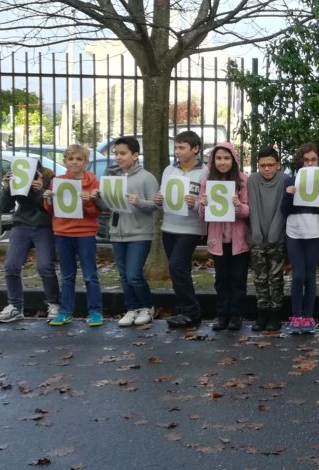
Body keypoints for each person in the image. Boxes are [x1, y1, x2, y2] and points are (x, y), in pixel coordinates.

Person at [42, 144, 103, 327]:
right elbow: (52, 210)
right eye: (71, 159)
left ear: (86, 162)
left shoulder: (93, 182)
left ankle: (95, 312)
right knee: (67, 275)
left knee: (90, 275)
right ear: (65, 161)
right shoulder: (57, 181)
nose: (74, 162)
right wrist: (48, 199)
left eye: (79, 159)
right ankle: (65, 311)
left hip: (85, 232)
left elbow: (96, 213)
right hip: (62, 232)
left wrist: (88, 202)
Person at [0, 160, 60, 323]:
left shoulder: (50, 180)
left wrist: (41, 190)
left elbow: (52, 207)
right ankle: (15, 306)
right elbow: (4, 207)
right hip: (21, 225)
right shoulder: (17, 181)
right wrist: (6, 188)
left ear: (38, 169)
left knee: (45, 266)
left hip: (43, 226)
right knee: (11, 266)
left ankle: (54, 303)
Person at [156, 131, 208, 330]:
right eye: (176, 147)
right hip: (169, 226)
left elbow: (206, 202)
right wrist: (159, 201)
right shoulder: (169, 170)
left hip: (191, 227)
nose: (177, 151)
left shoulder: (205, 172)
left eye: (181, 147)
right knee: (180, 269)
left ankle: (191, 311)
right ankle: (183, 308)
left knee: (176, 266)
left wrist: (194, 204)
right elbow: (164, 195)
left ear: (195, 149)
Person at [107, 136, 158, 327]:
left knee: (133, 273)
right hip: (117, 232)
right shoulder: (112, 176)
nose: (119, 157)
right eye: (116, 153)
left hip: (139, 232)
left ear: (135, 155)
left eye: (123, 153)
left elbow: (155, 204)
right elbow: (106, 205)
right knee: (123, 274)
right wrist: (98, 197)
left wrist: (139, 202)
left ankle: (147, 307)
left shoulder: (146, 177)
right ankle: (131, 308)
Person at [198, 142, 250, 331]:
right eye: (219, 158)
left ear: (234, 160)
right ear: (213, 160)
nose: (222, 162)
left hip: (239, 240)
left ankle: (236, 315)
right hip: (218, 240)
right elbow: (202, 214)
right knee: (221, 279)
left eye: (227, 158)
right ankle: (222, 315)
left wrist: (238, 206)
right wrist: (202, 204)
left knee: (238, 279)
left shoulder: (243, 180)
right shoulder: (207, 180)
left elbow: (248, 211)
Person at [282, 143, 319, 334]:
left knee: (310, 275)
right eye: (306, 159)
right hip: (294, 231)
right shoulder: (290, 182)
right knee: (298, 275)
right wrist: (288, 196)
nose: (310, 163)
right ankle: (296, 316)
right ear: (300, 161)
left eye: (314, 159)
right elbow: (284, 210)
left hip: (315, 231)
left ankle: (308, 316)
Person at [247, 146, 287, 333]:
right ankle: (262, 311)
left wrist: (273, 233)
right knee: (260, 278)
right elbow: (253, 206)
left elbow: (282, 208)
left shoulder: (285, 180)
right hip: (257, 238)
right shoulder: (253, 180)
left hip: (277, 238)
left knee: (276, 277)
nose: (267, 169)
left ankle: (276, 313)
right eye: (262, 165)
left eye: (271, 165)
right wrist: (256, 233)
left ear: (278, 165)